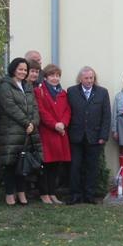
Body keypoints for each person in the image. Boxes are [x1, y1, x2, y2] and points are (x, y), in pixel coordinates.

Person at [0, 58, 42, 206]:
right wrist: (26, 122)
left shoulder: (27, 86)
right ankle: (10, 193)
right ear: (13, 69)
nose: (23, 72)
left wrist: (33, 123)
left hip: (27, 131)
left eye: (25, 70)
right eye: (20, 69)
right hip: (11, 130)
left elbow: (34, 107)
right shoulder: (5, 85)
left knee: (23, 162)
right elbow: (10, 107)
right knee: (10, 163)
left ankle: (21, 192)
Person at [67, 66, 111, 204]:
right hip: (76, 136)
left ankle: (89, 195)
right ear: (80, 79)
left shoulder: (102, 92)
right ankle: (75, 195)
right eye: (86, 78)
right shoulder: (71, 91)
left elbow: (106, 116)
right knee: (75, 167)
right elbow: (67, 112)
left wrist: (103, 135)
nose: (89, 80)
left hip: (95, 137)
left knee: (92, 167)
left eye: (91, 78)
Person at [35, 64, 72, 204]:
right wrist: (55, 124)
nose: (55, 78)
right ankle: (44, 193)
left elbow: (67, 110)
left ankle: (52, 193)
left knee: (56, 165)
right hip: (47, 132)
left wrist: (63, 123)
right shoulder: (39, 91)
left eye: (57, 75)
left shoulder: (63, 93)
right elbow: (41, 111)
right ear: (45, 77)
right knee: (45, 165)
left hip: (60, 133)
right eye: (52, 75)